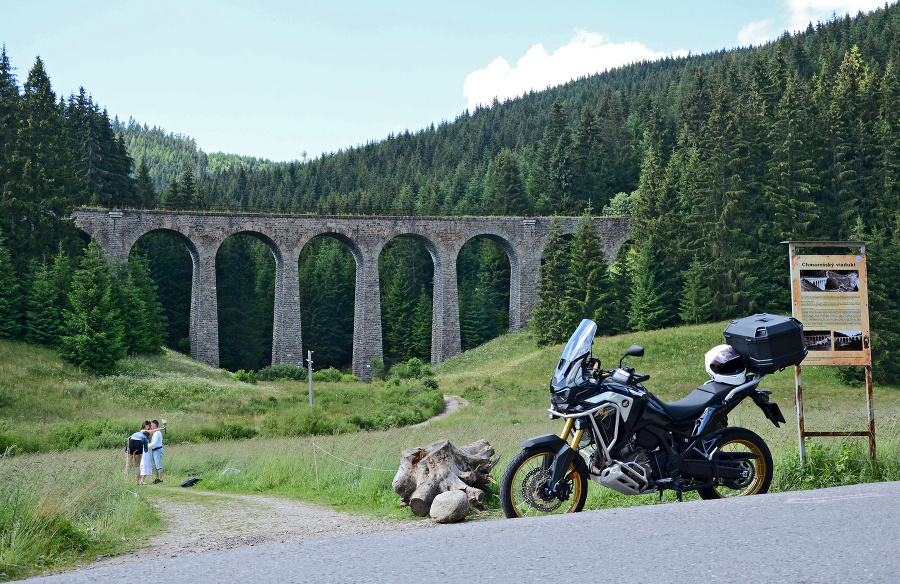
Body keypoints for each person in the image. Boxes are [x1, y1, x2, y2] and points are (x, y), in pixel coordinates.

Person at [149, 419, 166, 484]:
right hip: (155, 450)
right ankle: (158, 477)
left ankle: (160, 478)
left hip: (157, 450)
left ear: (155, 425)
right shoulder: (155, 432)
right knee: (156, 464)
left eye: (151, 425)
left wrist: (146, 446)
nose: (151, 426)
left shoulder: (157, 433)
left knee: (158, 464)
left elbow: (154, 443)